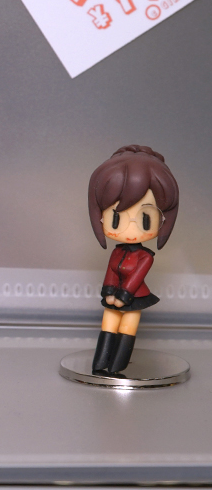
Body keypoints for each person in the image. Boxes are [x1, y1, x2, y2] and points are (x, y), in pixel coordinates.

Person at [87, 145, 179, 374]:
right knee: (108, 323)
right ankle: (100, 364)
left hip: (133, 296)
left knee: (128, 326)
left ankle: (117, 365)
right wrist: (109, 291)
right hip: (114, 295)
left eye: (145, 219)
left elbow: (136, 277)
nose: (130, 230)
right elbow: (111, 271)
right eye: (116, 219)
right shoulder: (117, 252)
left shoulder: (145, 256)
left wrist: (124, 295)